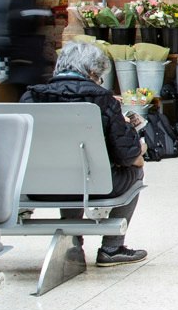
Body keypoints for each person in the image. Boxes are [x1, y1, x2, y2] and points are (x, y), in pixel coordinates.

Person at [24, 41, 147, 265]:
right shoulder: (102, 99)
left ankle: (73, 246)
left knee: (65, 170)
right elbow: (127, 156)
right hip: (96, 187)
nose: (99, 82)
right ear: (91, 72)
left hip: (42, 189)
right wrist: (139, 149)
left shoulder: (30, 97)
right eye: (99, 77)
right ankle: (112, 247)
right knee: (135, 173)